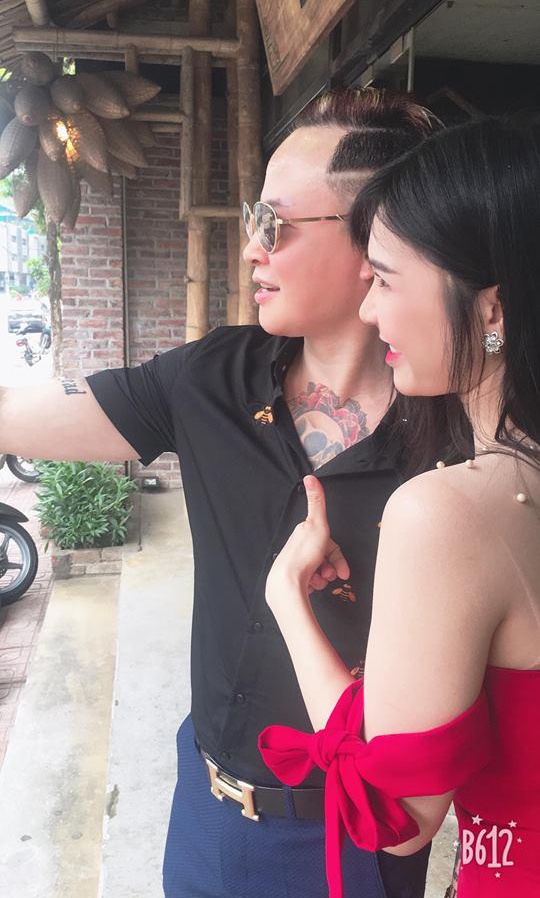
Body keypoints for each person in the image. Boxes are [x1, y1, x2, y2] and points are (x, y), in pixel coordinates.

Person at [0, 89, 442, 898]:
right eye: (250, 218)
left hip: (354, 839)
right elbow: (26, 413)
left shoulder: (455, 445)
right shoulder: (212, 379)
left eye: (274, 224)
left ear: (375, 238)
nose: (250, 248)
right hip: (205, 812)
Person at [259, 116, 540, 898]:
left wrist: (286, 601)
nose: (370, 311)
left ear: (491, 309)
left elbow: (396, 816)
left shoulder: (448, 511)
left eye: (383, 279)